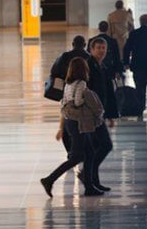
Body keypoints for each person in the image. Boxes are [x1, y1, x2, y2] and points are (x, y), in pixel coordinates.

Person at [40, 57, 104, 198]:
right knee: (77, 157)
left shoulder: (68, 83)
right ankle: (49, 179)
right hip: (78, 122)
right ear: (84, 70)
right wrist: (87, 97)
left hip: (70, 121)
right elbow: (78, 101)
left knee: (90, 152)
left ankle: (89, 187)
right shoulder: (81, 83)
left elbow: (66, 100)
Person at [86, 38, 117, 192]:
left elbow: (108, 93)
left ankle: (93, 180)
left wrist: (110, 115)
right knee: (105, 145)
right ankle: (88, 176)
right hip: (90, 116)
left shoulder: (103, 67)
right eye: (98, 48)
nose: (101, 51)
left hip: (99, 114)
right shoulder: (88, 66)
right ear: (91, 49)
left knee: (97, 147)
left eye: (104, 48)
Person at [51, 35, 90, 151]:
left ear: (72, 44)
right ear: (84, 45)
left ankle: (70, 150)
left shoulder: (65, 56)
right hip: (82, 91)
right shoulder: (88, 57)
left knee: (66, 116)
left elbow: (54, 72)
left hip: (66, 90)